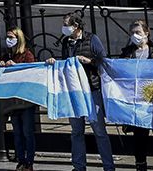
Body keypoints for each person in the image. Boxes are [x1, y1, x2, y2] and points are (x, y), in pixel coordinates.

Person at [46, 13, 115, 171]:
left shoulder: (91, 39)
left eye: (66, 24)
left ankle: (109, 167)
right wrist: (55, 62)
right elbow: (65, 64)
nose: (64, 27)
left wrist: (89, 61)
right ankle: (79, 166)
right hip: (74, 90)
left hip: (92, 89)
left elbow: (103, 60)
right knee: (77, 131)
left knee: (99, 130)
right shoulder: (66, 42)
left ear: (76, 26)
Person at [118, 21, 153, 171]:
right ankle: (140, 165)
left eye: (138, 32)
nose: (135, 35)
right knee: (140, 137)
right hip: (137, 100)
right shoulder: (127, 52)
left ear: (146, 33)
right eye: (132, 33)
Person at [0, 28, 37, 171]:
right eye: (7, 37)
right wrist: (1, 66)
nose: (8, 39)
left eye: (11, 37)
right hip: (12, 102)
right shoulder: (6, 55)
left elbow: (32, 72)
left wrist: (17, 67)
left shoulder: (27, 55)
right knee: (18, 134)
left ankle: (29, 162)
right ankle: (21, 160)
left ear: (18, 38)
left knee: (27, 132)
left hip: (25, 101)